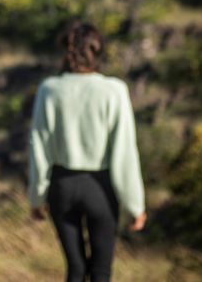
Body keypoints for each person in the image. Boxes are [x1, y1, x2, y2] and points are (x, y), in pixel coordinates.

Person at [28, 21, 146, 282]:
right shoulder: (115, 90)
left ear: (66, 53)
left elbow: (39, 147)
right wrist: (135, 204)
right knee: (101, 272)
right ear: (99, 51)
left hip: (62, 187)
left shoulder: (49, 89)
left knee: (76, 269)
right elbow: (125, 151)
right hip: (100, 189)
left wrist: (36, 197)